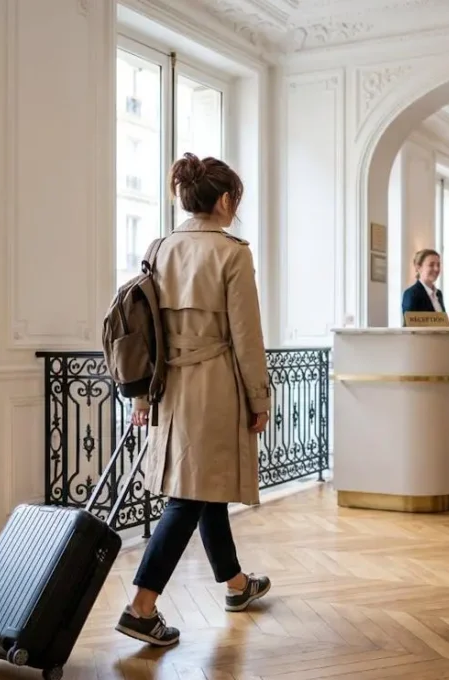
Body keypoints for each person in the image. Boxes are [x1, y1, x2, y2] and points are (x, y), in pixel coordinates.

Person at [117, 153, 272, 647]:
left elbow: (146, 330)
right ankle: (142, 607)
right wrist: (258, 397)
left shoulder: (159, 246)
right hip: (214, 388)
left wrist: (141, 395)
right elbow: (247, 337)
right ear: (225, 200)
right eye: (236, 200)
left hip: (168, 388)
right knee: (188, 497)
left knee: (203, 489)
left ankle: (236, 585)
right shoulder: (233, 253)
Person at [401, 249, 449, 327]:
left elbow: (439, 328)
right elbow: (410, 325)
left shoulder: (438, 294)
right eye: (431, 265)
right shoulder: (411, 294)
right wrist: (448, 320)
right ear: (419, 268)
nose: (436, 269)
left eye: (438, 265)